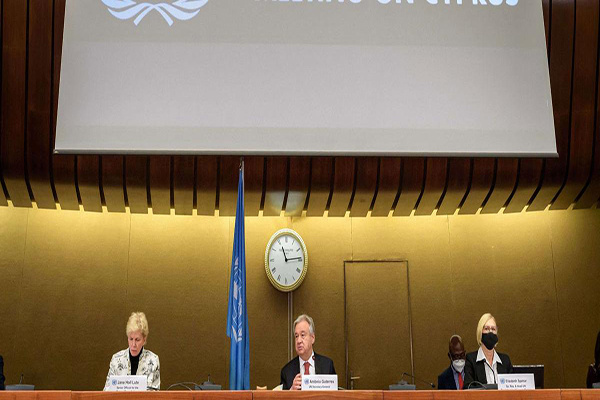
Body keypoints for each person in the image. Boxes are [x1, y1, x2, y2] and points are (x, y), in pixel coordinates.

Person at [103, 312, 160, 391]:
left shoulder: (153, 360)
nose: (133, 344)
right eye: (131, 339)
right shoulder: (116, 359)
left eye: (137, 340)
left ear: (144, 339)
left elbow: (155, 394)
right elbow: (107, 392)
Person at [280, 314, 336, 390]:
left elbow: (335, 394)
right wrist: (291, 391)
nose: (299, 341)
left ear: (312, 338)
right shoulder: (286, 371)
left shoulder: (327, 365)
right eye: (296, 336)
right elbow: (281, 395)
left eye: (302, 335)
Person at [464, 313, 513, 388]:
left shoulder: (505, 360)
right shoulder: (471, 360)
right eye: (486, 329)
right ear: (480, 332)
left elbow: (513, 387)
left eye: (493, 329)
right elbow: (468, 387)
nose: (490, 332)